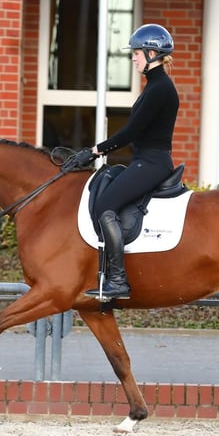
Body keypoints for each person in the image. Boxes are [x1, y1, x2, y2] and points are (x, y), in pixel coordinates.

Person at [81, 23, 180, 300]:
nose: (133, 58)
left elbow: (132, 131)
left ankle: (118, 281)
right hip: (145, 161)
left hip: (152, 163)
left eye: (136, 52)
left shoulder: (160, 88)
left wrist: (96, 150)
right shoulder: (155, 86)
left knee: (105, 206)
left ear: (151, 53)